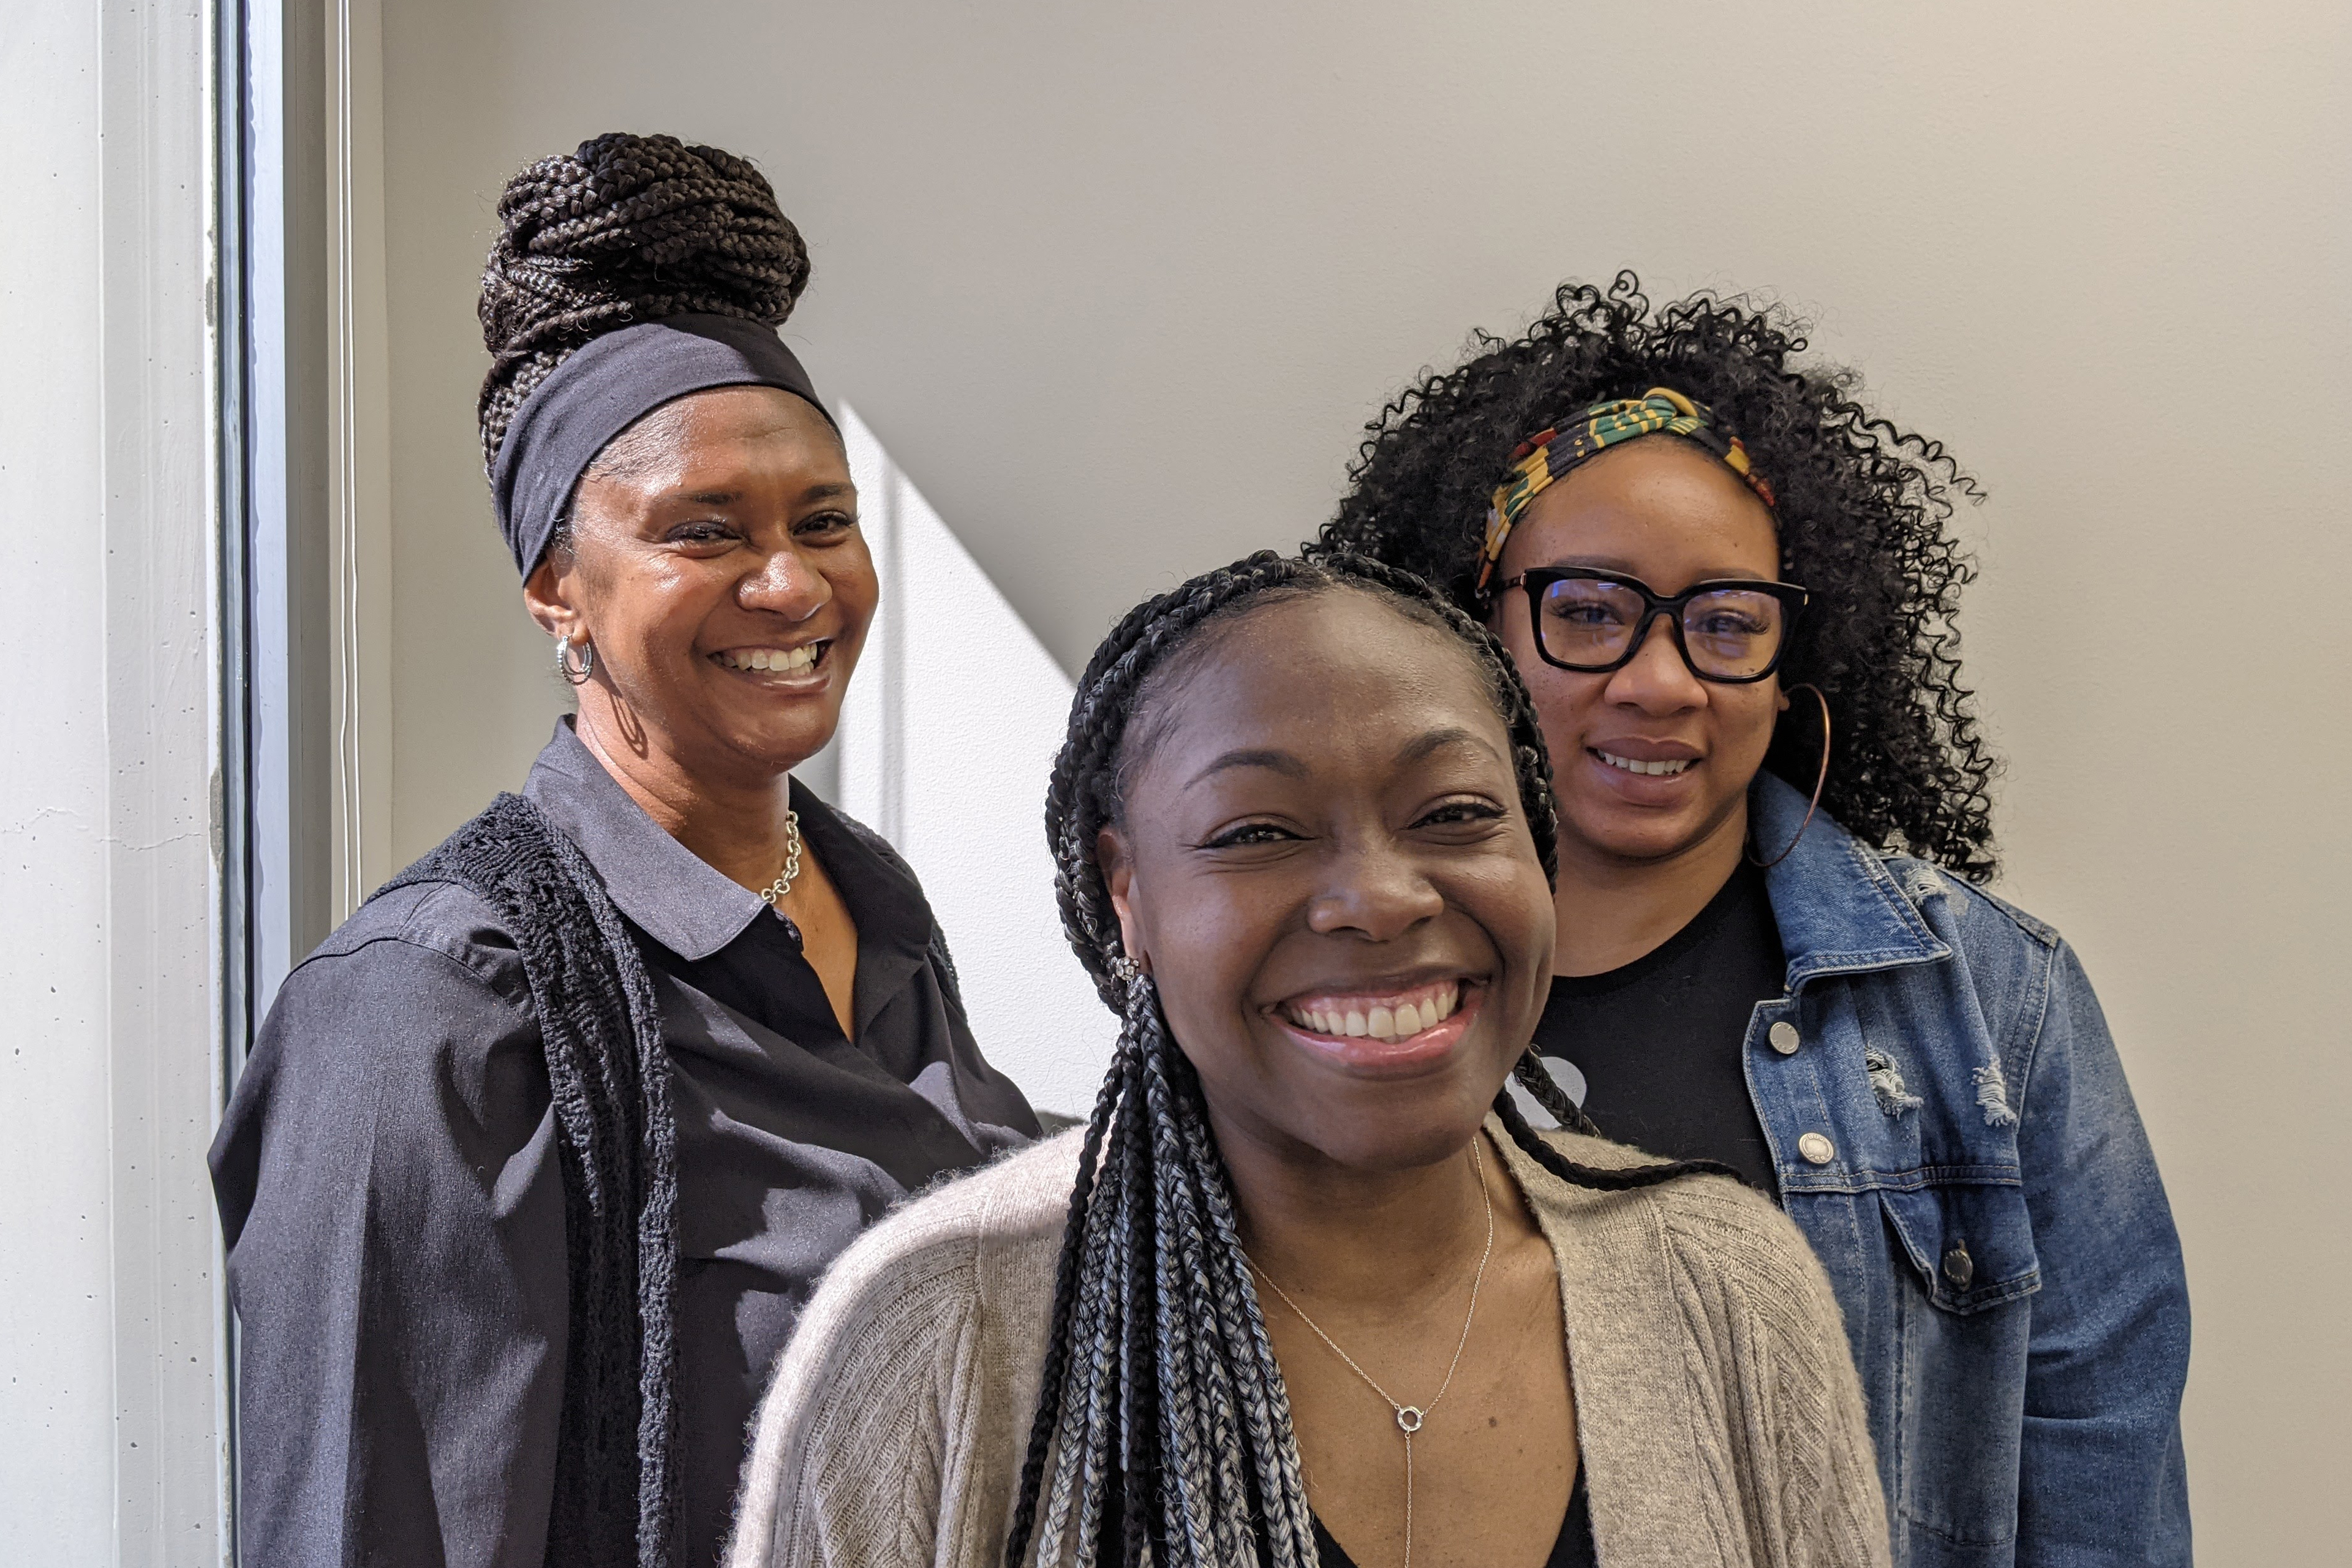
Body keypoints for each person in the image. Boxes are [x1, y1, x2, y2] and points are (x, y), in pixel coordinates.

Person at [209, 132, 1038, 1568]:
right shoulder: (435, 1012)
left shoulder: (873, 908)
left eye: (824, 520)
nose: (790, 582)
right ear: (557, 588)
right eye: (700, 528)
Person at [726, 552, 1889, 1568]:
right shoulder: (937, 1331)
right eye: (1259, 833)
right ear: (1128, 893)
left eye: (1453, 814)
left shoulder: (1728, 1290)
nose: (1381, 901)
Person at [1315, 274, 2189, 1567]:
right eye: (1591, 611)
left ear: (1788, 669)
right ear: (1468, 623)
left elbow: (2101, 1505)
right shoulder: (1323, 964)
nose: (1660, 681)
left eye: (1725, 623)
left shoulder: (1991, 1004)